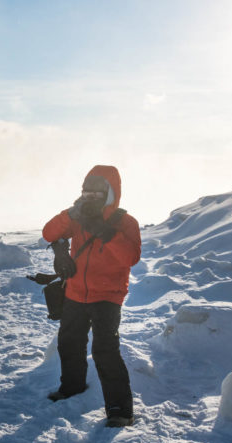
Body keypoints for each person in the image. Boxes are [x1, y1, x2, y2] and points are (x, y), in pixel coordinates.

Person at [42, 165, 142, 427]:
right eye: (86, 193)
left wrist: (107, 234)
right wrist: (70, 214)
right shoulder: (77, 219)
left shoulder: (125, 222)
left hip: (108, 296)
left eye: (96, 194)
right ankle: (72, 387)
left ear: (109, 194)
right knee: (69, 342)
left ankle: (120, 410)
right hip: (76, 292)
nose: (90, 198)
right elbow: (49, 233)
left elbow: (130, 258)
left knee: (104, 349)